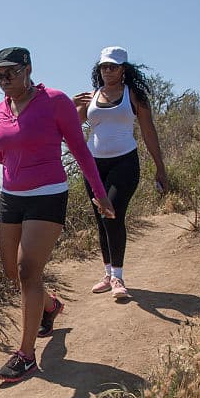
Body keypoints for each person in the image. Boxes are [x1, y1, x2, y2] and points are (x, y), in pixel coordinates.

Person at [0, 47, 115, 383]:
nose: (3, 81)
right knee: (11, 270)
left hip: (47, 195)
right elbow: (7, 156)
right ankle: (50, 306)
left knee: (29, 271)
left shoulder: (56, 102)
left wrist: (99, 193)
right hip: (11, 196)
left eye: (9, 73)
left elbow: (79, 149)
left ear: (28, 69)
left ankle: (26, 356)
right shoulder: (3, 108)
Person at [73, 46, 169, 301]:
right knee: (101, 220)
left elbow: (149, 132)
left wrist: (160, 167)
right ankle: (107, 273)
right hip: (94, 167)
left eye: (113, 67)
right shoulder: (91, 96)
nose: (107, 71)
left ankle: (118, 276)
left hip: (124, 163)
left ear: (123, 70)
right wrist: (72, 106)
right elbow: (70, 128)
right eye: (104, 66)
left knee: (112, 213)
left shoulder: (134, 96)